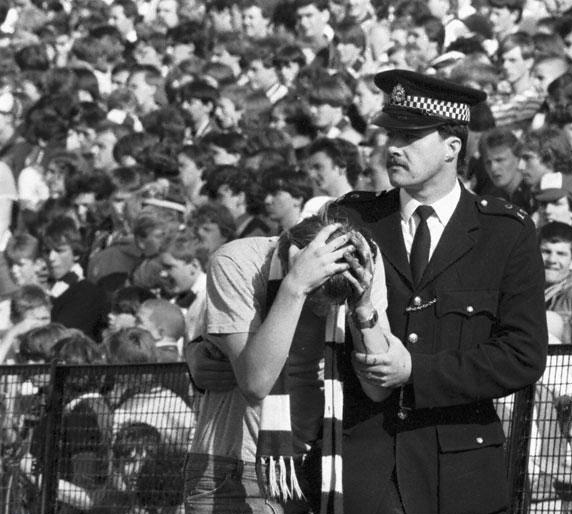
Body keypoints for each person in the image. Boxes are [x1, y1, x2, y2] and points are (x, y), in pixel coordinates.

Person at [329, 69, 548, 514]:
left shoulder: (504, 233)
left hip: (460, 473)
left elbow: (523, 355)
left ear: (452, 146)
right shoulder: (354, 218)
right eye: (391, 135)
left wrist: (417, 371)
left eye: (409, 136)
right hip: (367, 465)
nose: (393, 147)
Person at [185, 216, 391, 513]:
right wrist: (295, 288)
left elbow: (378, 388)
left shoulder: (364, 260)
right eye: (318, 297)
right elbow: (256, 383)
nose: (325, 310)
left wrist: (362, 306)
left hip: (314, 468)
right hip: (236, 467)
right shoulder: (238, 261)